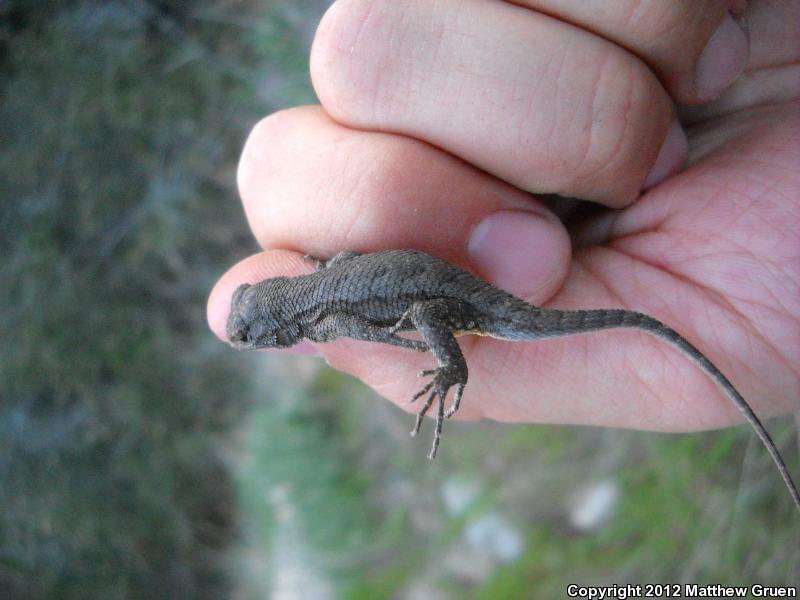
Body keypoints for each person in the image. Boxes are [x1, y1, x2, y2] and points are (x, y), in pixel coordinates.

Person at [208, 0, 799, 435]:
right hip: (436, 286)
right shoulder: (325, 279)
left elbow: (383, 332)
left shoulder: (330, 321)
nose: (248, 340)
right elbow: (348, 265)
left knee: (422, 312)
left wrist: (434, 361)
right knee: (421, 307)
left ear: (279, 331)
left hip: (452, 301)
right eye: (248, 328)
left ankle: (454, 370)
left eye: (250, 335)